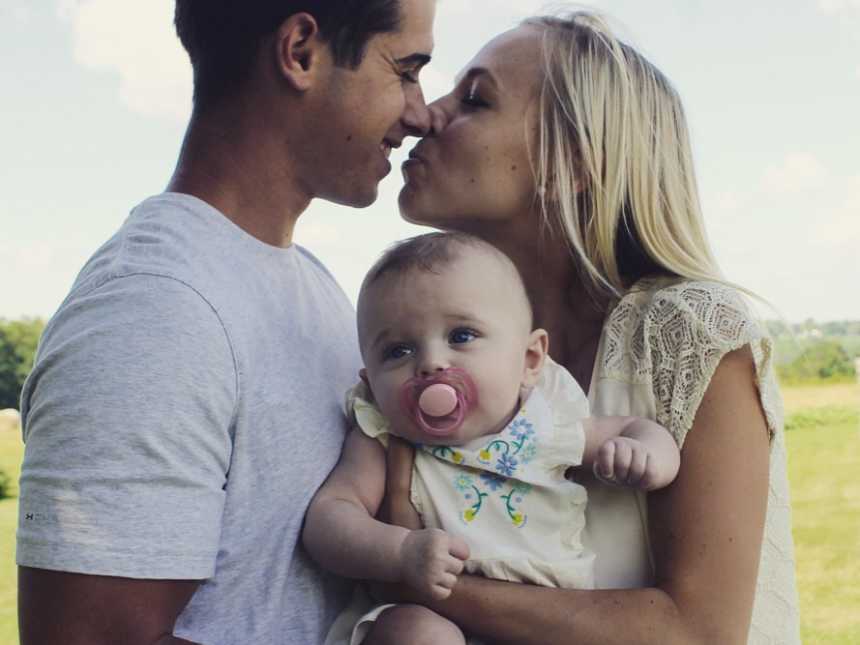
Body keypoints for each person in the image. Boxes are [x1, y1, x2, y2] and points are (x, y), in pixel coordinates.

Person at [16, 1, 435, 643]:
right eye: (405, 70)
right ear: (299, 52)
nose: (421, 111)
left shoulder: (317, 289)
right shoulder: (152, 312)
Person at [380, 10, 800, 645]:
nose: (427, 114)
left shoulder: (687, 330)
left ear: (570, 160)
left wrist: (419, 579)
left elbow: (701, 632)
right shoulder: (427, 351)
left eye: (475, 98)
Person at [303, 232, 681, 644]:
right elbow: (329, 517)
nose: (431, 363)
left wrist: (647, 454)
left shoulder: (544, 421)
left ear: (529, 360)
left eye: (461, 336)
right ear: (370, 380)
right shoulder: (383, 433)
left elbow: (633, 430)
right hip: (435, 619)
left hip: (545, 623)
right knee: (417, 633)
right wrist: (399, 552)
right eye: (398, 351)